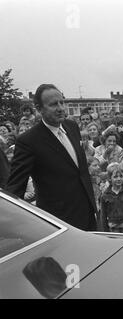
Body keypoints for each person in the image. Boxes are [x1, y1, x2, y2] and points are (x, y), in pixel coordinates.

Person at [6, 84, 97, 230]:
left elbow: (79, 171)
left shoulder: (72, 127)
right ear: (38, 108)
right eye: (54, 104)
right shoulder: (28, 141)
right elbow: (15, 188)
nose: (61, 108)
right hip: (58, 222)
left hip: (88, 214)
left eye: (62, 102)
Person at [99, 165, 123, 233]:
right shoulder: (105, 195)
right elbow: (103, 214)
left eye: (121, 176)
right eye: (115, 177)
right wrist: (105, 230)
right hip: (113, 228)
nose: (119, 179)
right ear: (109, 178)